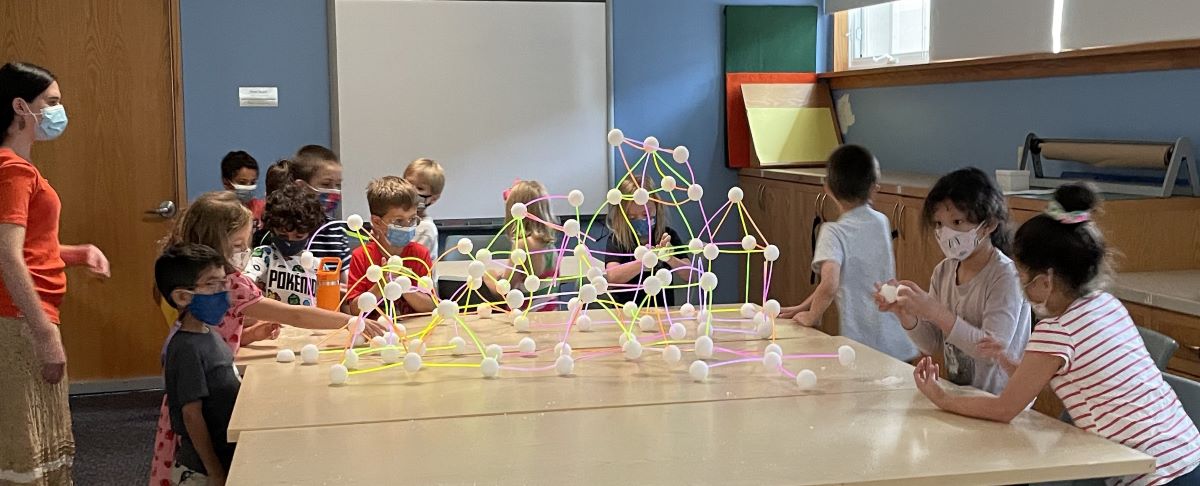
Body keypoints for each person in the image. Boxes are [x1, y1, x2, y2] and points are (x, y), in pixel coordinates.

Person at [914, 184, 1200, 485]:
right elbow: (1073, 377)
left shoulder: (1057, 330)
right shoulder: (1105, 305)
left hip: (1152, 473)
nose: (1020, 284)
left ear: (1046, 280)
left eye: (1022, 275)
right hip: (1187, 453)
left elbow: (1003, 409)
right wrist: (1009, 362)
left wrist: (942, 398)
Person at [147, 191, 386, 485]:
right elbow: (294, 314)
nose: (244, 251)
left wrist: (247, 335)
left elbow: (214, 339)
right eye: (237, 245)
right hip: (204, 407)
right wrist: (349, 320)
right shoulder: (228, 283)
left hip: (202, 393)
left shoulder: (197, 283)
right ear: (215, 242)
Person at [0, 61, 109, 485]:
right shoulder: (13, 171)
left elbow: (30, 248)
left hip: (26, 316)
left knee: (37, 439)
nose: (59, 111)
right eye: (52, 102)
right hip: (20, 320)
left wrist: (76, 253)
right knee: (23, 444)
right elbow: (8, 256)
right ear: (21, 107)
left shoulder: (20, 169)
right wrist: (44, 333)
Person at [876, 167, 1030, 394]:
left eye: (957, 223)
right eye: (939, 224)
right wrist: (905, 314)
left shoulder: (1005, 276)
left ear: (988, 225)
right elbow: (932, 344)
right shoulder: (944, 271)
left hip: (1000, 401)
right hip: (964, 397)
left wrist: (934, 311)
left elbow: (991, 350)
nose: (946, 233)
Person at [779, 145, 917, 362]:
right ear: (874, 189)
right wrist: (802, 306)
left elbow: (831, 283)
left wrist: (812, 316)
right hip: (897, 340)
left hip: (864, 345)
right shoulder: (881, 222)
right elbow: (849, 276)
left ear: (828, 188)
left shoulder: (833, 232)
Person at [155, 244, 240, 486]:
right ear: (183, 297)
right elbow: (192, 415)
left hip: (223, 457)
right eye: (212, 284)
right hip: (203, 472)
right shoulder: (186, 348)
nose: (223, 291)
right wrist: (214, 471)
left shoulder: (208, 333)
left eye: (224, 282)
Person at [346, 177, 435, 316]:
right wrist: (381, 285)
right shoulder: (362, 256)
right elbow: (355, 310)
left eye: (412, 219)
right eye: (398, 221)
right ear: (377, 222)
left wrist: (404, 285)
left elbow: (431, 306)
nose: (407, 226)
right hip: (376, 332)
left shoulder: (420, 254)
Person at [603, 177, 690, 308]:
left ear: (657, 206)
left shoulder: (668, 236)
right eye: (632, 217)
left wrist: (670, 258)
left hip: (662, 313)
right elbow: (612, 278)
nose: (640, 220)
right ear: (623, 216)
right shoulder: (617, 240)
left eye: (646, 214)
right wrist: (644, 262)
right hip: (627, 315)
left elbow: (691, 276)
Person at [482, 180, 561, 309]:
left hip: (526, 319)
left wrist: (489, 276)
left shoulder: (523, 245)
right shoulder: (550, 246)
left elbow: (504, 292)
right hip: (550, 316)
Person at [243, 184, 324, 306]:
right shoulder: (264, 255)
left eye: (299, 236)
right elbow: (246, 281)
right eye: (282, 235)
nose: (290, 241)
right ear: (272, 229)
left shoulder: (318, 266)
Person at [290, 145, 350, 268]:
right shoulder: (288, 229)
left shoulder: (336, 229)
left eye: (338, 185)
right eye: (326, 184)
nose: (334, 191)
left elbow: (346, 278)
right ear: (301, 186)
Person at [403, 158, 445, 258]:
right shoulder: (397, 222)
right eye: (408, 183)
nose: (411, 191)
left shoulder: (425, 229)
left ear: (433, 198)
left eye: (420, 188)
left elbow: (409, 261)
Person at [219, 150, 263, 230]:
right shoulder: (218, 212)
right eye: (242, 182)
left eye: (252, 182)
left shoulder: (262, 209)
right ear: (226, 183)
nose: (249, 187)